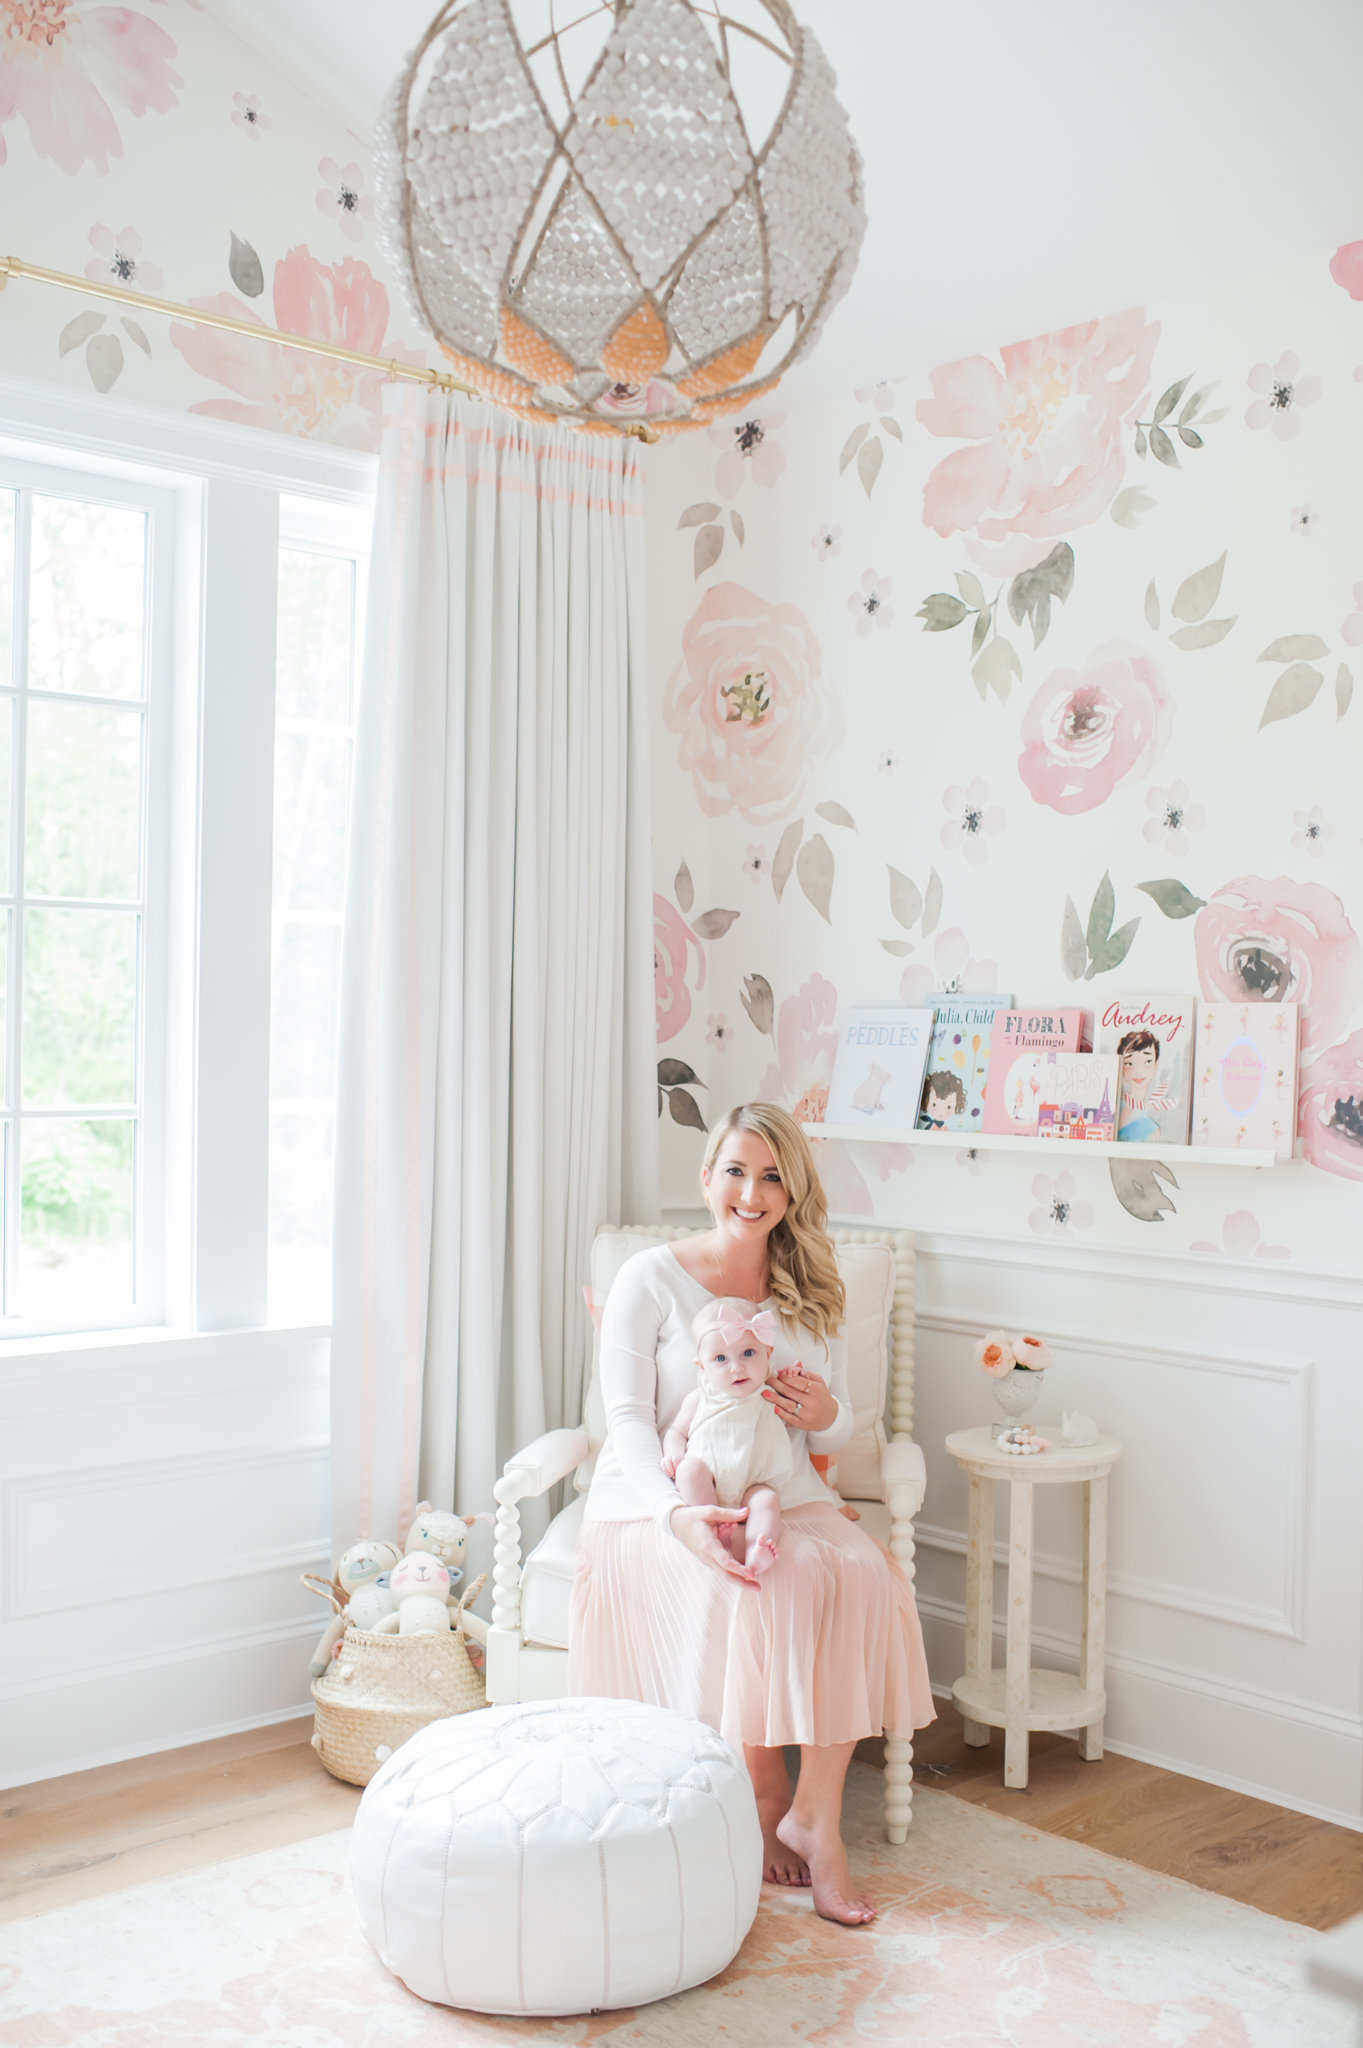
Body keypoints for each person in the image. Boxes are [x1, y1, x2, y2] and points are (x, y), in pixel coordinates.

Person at [569, 1101, 935, 1927]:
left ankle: (814, 1815)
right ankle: (764, 1784)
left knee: (860, 1573)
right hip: (660, 1499)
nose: (751, 1190)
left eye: (772, 1175)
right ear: (706, 1178)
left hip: (779, 1486)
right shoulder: (648, 1279)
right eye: (735, 1169)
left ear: (792, 1189)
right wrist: (676, 1515)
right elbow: (626, 1420)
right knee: (766, 1584)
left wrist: (820, 1416)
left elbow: (836, 1422)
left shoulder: (805, 1282)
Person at [663, 1299, 793, 1577]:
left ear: (768, 1353)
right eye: (720, 1359)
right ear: (702, 1366)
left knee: (767, 1500)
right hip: (708, 1478)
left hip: (753, 1484)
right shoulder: (701, 1397)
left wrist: (794, 1377)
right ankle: (712, 1533)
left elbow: (797, 1407)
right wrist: (673, 1451)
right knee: (689, 1470)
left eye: (748, 1353)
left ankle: (758, 1546)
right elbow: (677, 1431)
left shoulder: (769, 1391)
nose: (737, 1368)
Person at [1116, 1028, 1162, 1141]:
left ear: (1156, 1064)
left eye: (1147, 1062)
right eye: (1129, 1063)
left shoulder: (1151, 1128)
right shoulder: (1115, 1107)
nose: (1138, 1071)